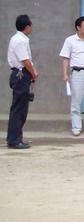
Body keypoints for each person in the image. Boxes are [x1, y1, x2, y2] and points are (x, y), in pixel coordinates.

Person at [7, 14, 38, 150]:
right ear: (27, 26)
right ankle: (14, 140)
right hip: (20, 75)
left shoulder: (21, 39)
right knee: (19, 109)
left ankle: (16, 138)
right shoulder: (20, 40)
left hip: (22, 74)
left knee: (21, 108)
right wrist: (33, 72)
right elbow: (25, 60)